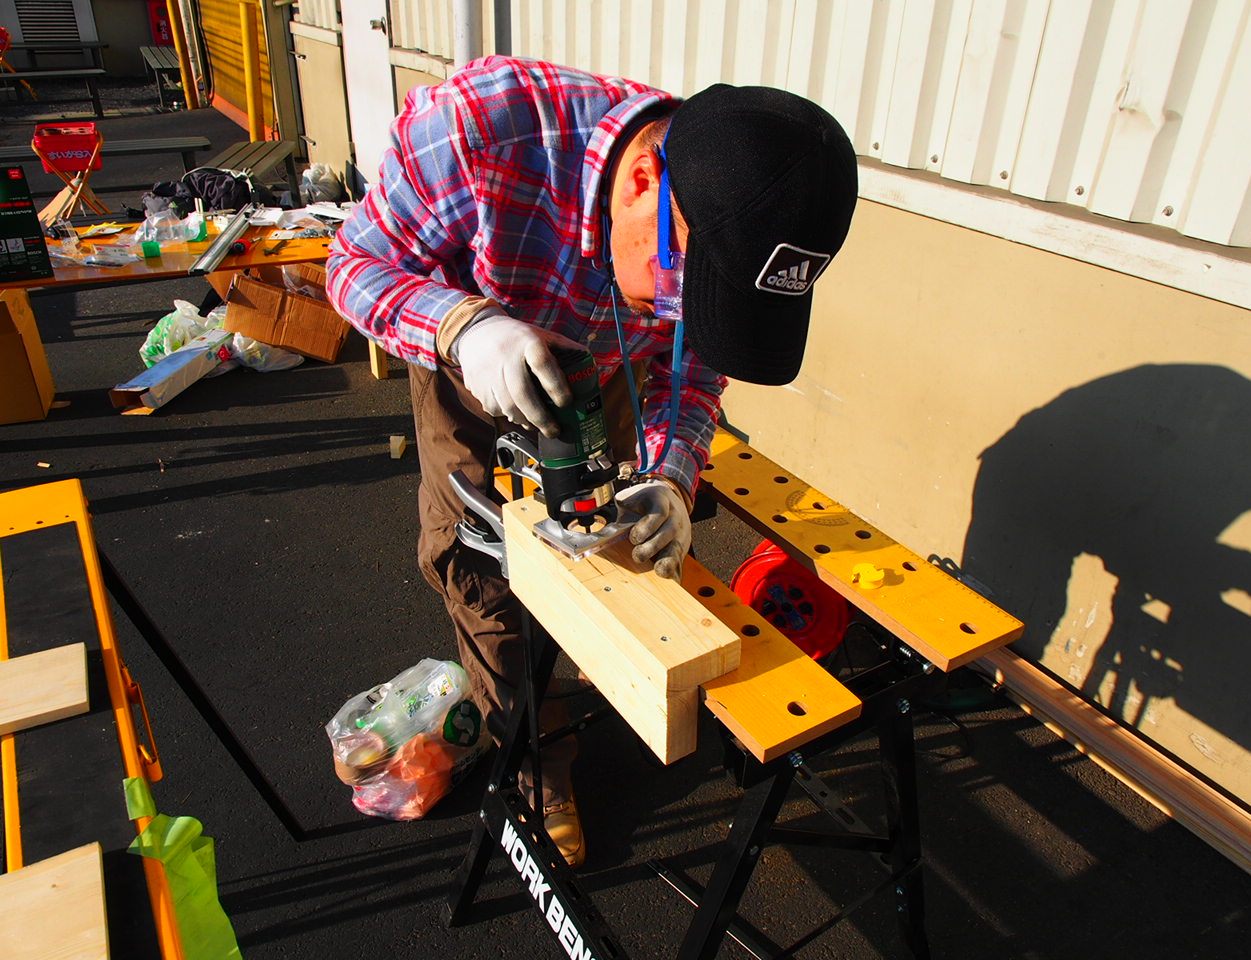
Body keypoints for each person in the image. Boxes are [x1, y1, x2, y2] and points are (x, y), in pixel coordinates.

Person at [326, 56, 857, 866]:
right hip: (475, 359)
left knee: (606, 556)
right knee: (485, 570)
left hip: (607, 365)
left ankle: (595, 687)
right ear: (646, 177)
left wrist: (673, 473)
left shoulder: (710, 230)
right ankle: (535, 764)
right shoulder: (482, 127)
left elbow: (696, 364)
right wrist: (466, 327)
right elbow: (352, 265)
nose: (681, 309)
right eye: (685, 283)